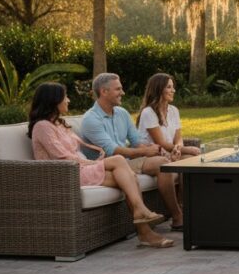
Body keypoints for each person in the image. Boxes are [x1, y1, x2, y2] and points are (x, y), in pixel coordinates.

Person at [28, 82, 173, 248]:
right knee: (119, 161)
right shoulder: (42, 126)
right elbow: (62, 157)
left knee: (129, 177)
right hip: (64, 174)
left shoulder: (59, 124)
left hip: (78, 169)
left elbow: (76, 150)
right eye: (65, 97)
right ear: (53, 100)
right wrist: (93, 163)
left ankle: (145, 230)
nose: (68, 100)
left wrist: (93, 159)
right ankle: (142, 216)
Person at [79, 72, 184, 239]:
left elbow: (136, 141)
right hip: (108, 166)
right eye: (118, 89)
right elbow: (112, 150)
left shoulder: (121, 113)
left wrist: (154, 149)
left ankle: (178, 215)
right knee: (161, 163)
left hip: (127, 161)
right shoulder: (91, 119)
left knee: (165, 162)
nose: (123, 92)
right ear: (104, 92)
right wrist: (144, 152)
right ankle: (177, 217)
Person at [137, 73, 201, 161]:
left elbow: (178, 138)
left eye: (173, 87)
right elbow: (161, 143)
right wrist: (187, 149)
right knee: (190, 158)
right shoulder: (148, 112)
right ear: (159, 89)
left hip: (170, 152)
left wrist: (178, 149)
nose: (173, 90)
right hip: (153, 156)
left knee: (193, 160)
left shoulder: (174, 110)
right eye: (169, 87)